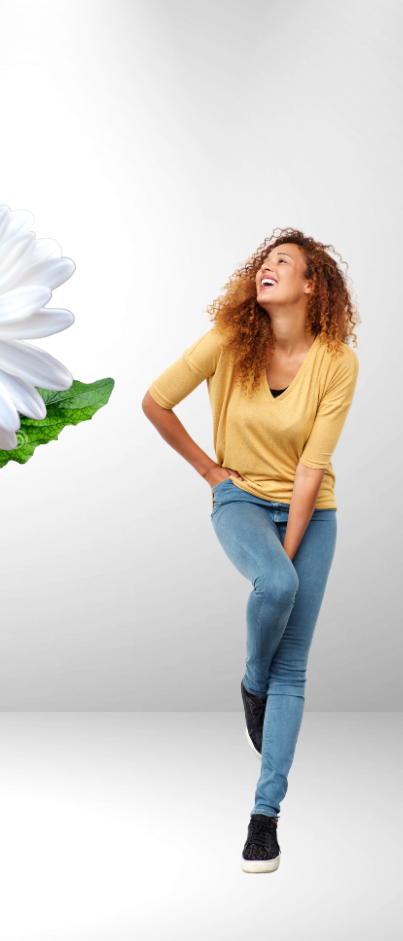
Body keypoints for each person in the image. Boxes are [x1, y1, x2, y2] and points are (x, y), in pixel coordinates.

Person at [141, 228, 359, 873]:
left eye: (282, 264)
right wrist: (211, 473)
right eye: (263, 263)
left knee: (294, 666)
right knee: (278, 589)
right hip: (239, 500)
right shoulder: (228, 342)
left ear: (311, 285)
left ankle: (265, 820)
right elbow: (155, 401)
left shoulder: (337, 361)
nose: (266, 270)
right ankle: (250, 680)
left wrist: (288, 555)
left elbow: (312, 468)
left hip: (310, 510)